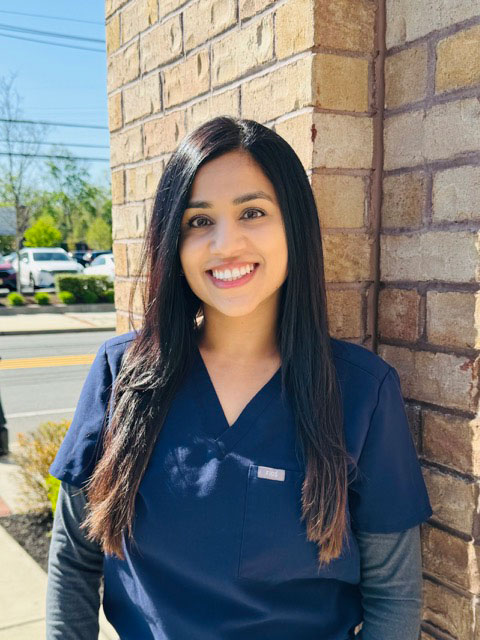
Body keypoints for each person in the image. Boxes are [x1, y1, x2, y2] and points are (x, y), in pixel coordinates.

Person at [46, 116, 433, 640]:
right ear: (173, 242)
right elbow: (73, 561)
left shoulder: (361, 393)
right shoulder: (123, 377)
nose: (225, 243)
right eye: (198, 221)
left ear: (293, 224)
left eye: (252, 212)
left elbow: (393, 596)